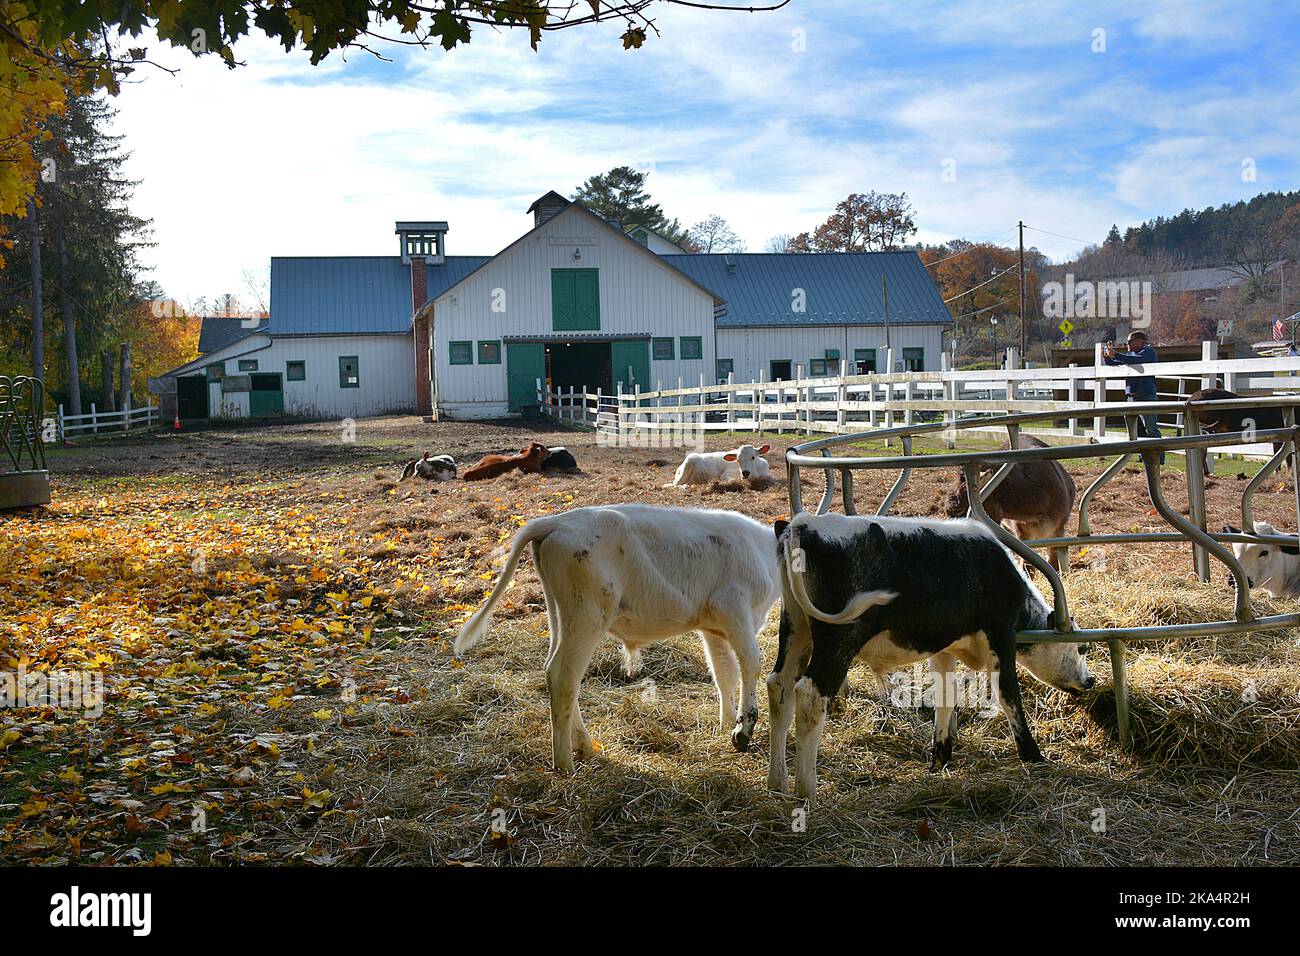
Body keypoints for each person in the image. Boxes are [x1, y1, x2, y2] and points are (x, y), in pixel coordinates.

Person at [1104, 330, 1163, 460]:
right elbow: (1115, 363)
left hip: (1146, 395)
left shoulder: (1148, 352)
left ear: (1141, 342)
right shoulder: (1132, 355)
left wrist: (1116, 354)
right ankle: (1145, 456)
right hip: (1132, 396)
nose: (1128, 344)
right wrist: (1107, 356)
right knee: (1137, 430)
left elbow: (1134, 360)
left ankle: (1158, 458)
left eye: (1131, 341)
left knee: (1151, 429)